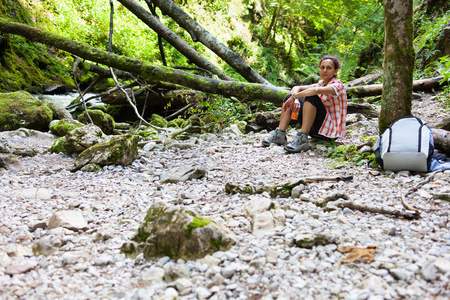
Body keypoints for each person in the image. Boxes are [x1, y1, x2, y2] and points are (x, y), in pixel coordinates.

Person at [261, 55, 347, 152]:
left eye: (329, 68)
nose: (325, 70)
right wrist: (295, 98)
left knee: (311, 97)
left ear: (335, 71)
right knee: (288, 97)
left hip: (329, 133)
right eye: (322, 67)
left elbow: (315, 90)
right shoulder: (320, 83)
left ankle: (302, 138)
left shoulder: (338, 86)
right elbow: (296, 87)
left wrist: (295, 96)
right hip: (314, 130)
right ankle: (280, 135)